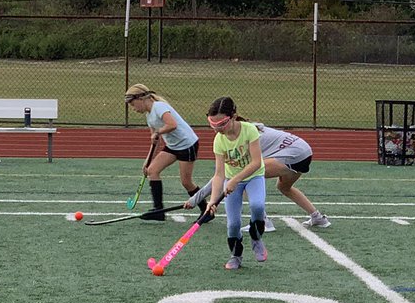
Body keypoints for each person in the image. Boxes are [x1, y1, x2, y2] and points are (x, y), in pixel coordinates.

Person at [185, 122, 330, 229]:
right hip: (305, 152)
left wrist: (195, 199)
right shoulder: (249, 129)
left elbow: (221, 176)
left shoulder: (246, 138)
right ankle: (317, 217)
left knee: (245, 178)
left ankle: (263, 222)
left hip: (293, 155)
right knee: (284, 187)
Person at [202, 96, 268, 267]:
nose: (217, 129)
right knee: (233, 224)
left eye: (221, 124)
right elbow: (218, 174)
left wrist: (236, 179)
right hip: (231, 181)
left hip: (254, 177)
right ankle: (236, 256)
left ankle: (256, 237)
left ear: (233, 116)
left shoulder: (249, 131)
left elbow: (255, 162)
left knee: (258, 206)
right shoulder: (219, 140)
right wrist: (212, 200)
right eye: (213, 125)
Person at [124, 83, 200, 218]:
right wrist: (147, 161)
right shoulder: (149, 117)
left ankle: (206, 209)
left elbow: (172, 125)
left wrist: (158, 131)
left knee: (186, 182)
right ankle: (158, 211)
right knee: (152, 170)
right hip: (172, 146)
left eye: (133, 104)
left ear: (141, 99)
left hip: (187, 145)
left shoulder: (159, 107)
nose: (133, 109)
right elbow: (155, 141)